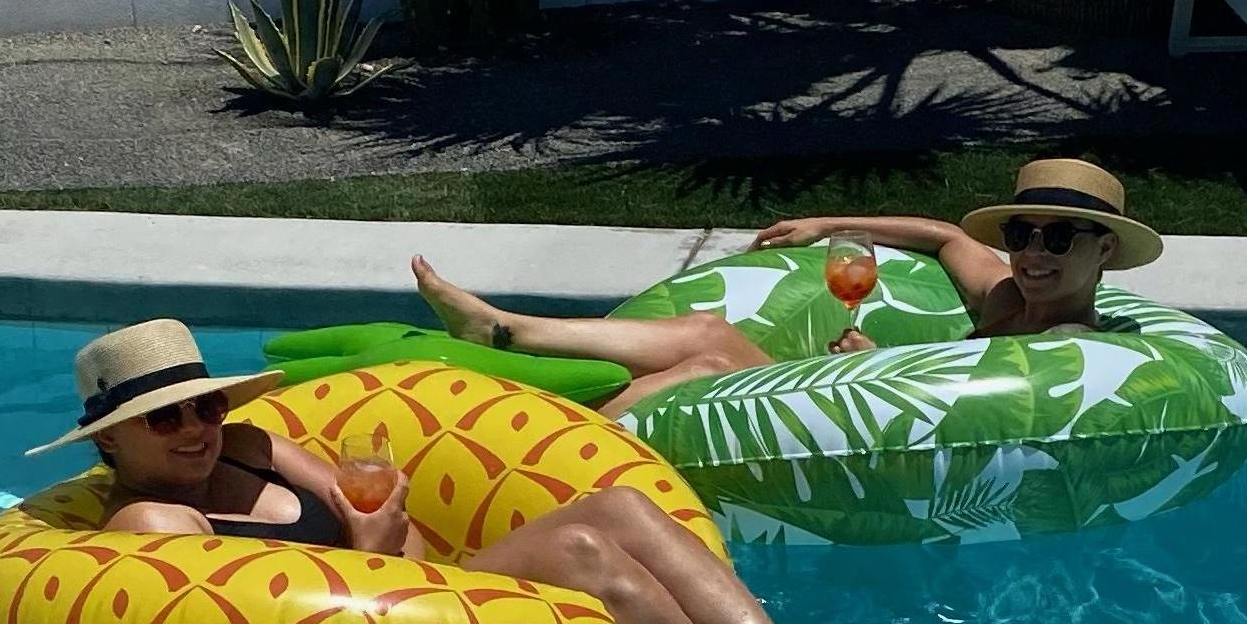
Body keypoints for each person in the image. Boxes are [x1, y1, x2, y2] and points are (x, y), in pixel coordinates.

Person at [28, 320, 907, 624]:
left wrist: (387, 541)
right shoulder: (152, 523)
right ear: (110, 440)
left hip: (430, 595)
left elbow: (378, 511)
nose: (197, 430)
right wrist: (380, 547)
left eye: (205, 404)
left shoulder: (253, 445)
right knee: (583, 547)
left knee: (622, 508)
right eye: (166, 419)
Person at [408, 156, 1165, 420]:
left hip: (873, 434)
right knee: (703, 363)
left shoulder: (1074, 350)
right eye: (1023, 233)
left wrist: (873, 366)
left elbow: (971, 403)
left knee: (708, 344)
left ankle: (505, 331)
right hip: (862, 393)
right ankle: (532, 408)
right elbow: (943, 235)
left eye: (1057, 238)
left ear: (1104, 250)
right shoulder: (1006, 299)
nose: (1032, 252)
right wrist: (823, 223)